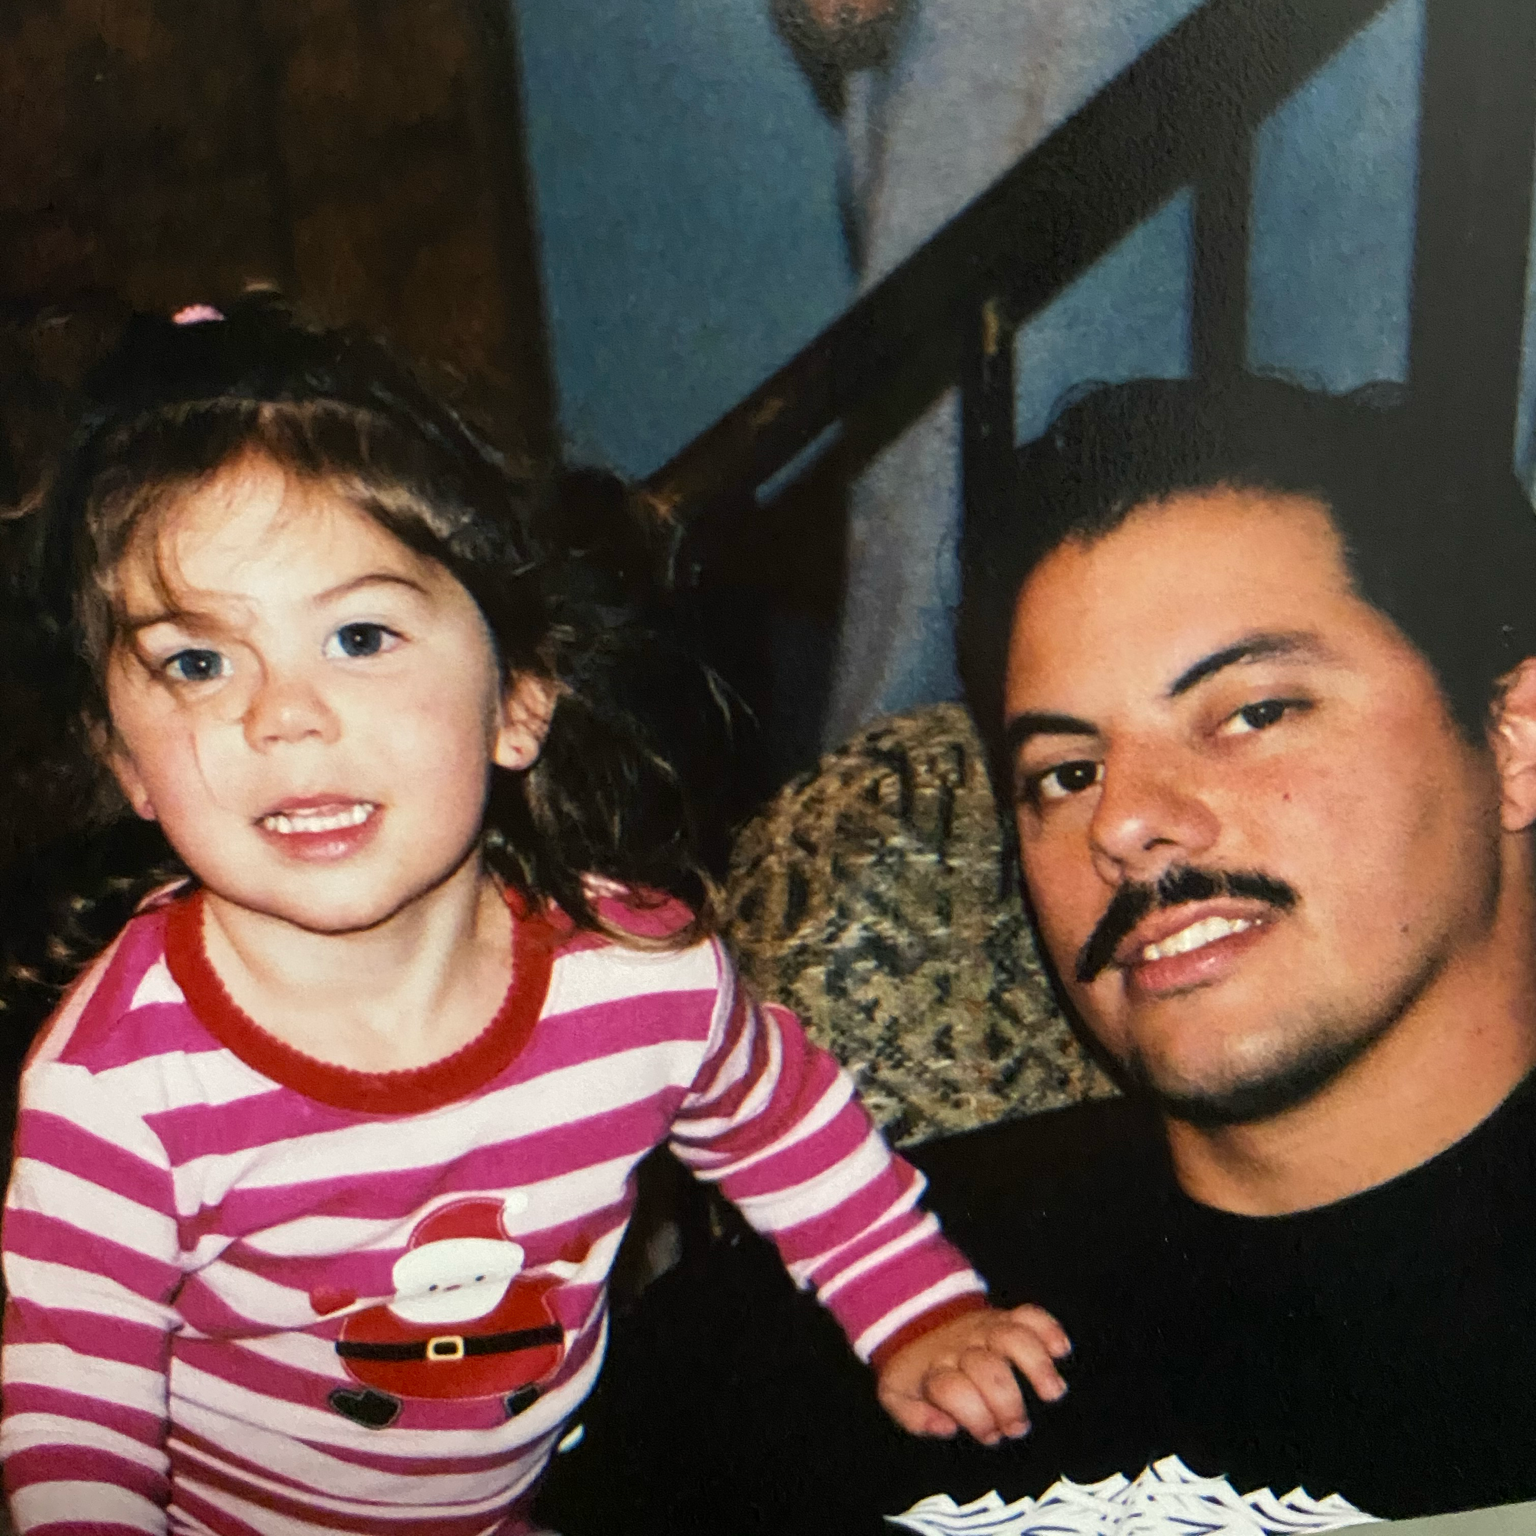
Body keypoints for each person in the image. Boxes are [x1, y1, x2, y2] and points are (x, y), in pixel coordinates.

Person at [0, 296, 1076, 1534]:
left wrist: (916, 1305)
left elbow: (780, 1124)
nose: (280, 716)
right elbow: (75, 1429)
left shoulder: (639, 974)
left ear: (517, 700)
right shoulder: (120, 1088)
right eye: (199, 663)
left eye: (359, 635)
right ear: (127, 763)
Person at [542, 375, 1536, 1532]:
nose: (1122, 822)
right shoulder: (839, 1315)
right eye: (1064, 773)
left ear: (1513, 742)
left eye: (1253, 712)